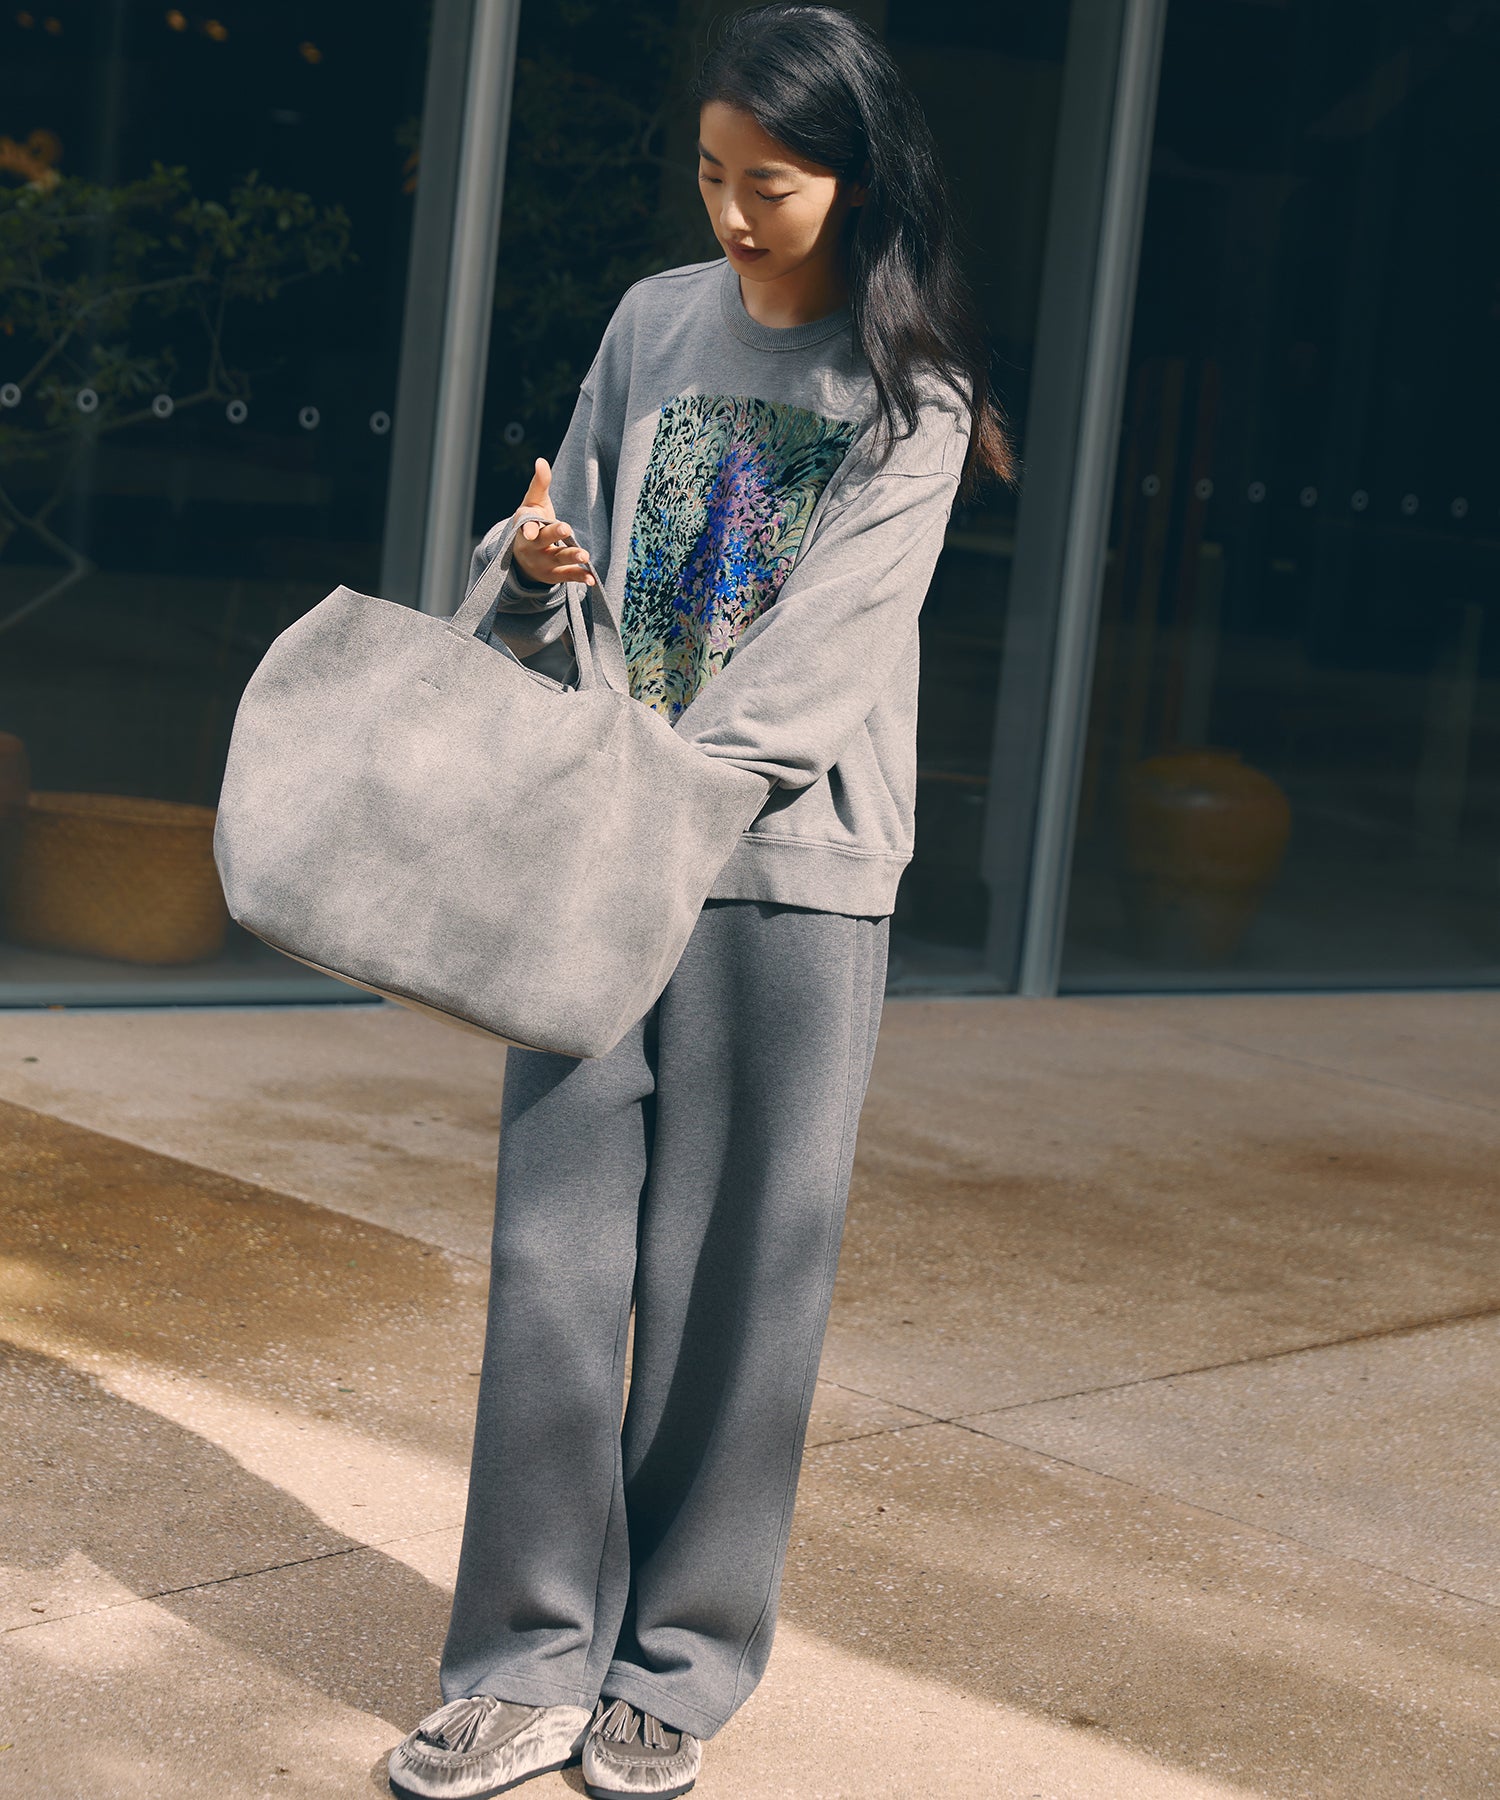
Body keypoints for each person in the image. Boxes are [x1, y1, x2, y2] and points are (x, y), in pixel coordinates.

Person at [387, 7, 1014, 1797]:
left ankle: (675, 1665)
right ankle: (521, 1663)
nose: (735, 214)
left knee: (737, 1289)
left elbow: (809, 686)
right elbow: (561, 564)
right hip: (600, 853)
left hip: (787, 883)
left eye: (774, 184)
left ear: (858, 182)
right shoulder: (652, 322)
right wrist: (529, 567)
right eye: (713, 176)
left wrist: (650, 804)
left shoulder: (915, 401)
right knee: (555, 1265)